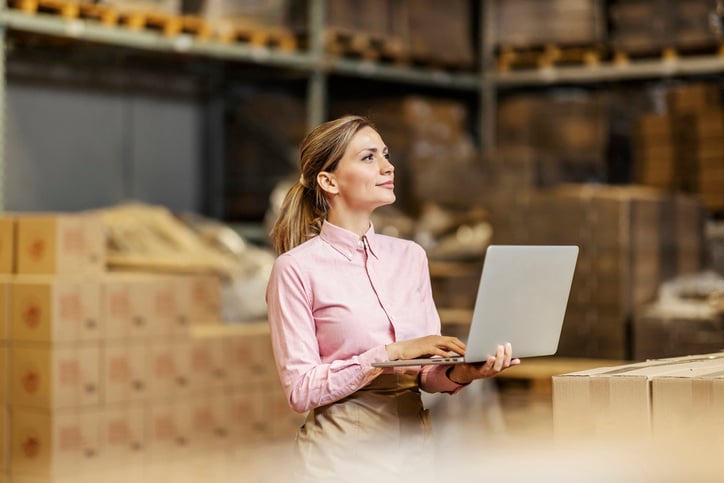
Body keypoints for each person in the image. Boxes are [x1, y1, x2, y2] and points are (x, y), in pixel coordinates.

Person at [265, 115, 520, 482]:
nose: (388, 166)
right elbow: (301, 390)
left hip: (415, 454)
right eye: (369, 157)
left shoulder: (410, 256)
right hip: (342, 461)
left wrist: (463, 371)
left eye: (385, 154)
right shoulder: (296, 269)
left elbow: (426, 375)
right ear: (329, 180)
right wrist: (392, 353)